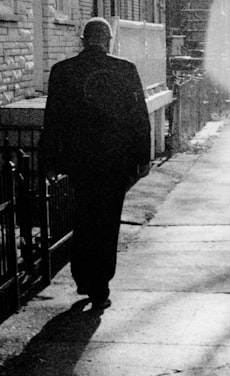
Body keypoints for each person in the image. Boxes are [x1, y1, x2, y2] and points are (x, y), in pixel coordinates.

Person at [40, 17, 151, 308]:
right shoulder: (125, 70)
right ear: (109, 40)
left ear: (82, 40)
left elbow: (52, 120)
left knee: (84, 215)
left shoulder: (63, 72)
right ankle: (100, 282)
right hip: (116, 160)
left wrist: (50, 160)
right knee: (107, 220)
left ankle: (83, 276)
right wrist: (142, 157)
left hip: (80, 160)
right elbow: (139, 117)